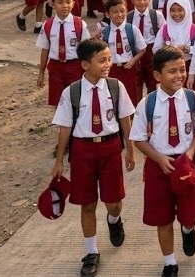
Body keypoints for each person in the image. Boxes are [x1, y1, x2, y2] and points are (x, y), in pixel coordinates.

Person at [49, 38, 136, 277]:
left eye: (109, 59)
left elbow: (125, 119)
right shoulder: (72, 92)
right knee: (87, 203)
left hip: (110, 148)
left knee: (114, 201)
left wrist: (130, 149)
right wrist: (59, 161)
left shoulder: (116, 87)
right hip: (83, 151)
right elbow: (65, 127)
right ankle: (91, 251)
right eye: (102, 61)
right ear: (85, 65)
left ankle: (114, 220)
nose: (108, 64)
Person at [129, 47, 195, 277]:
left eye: (182, 69)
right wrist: (159, 158)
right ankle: (170, 262)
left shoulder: (192, 99)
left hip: (185, 163)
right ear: (157, 75)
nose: (179, 75)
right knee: (162, 217)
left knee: (190, 213)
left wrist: (191, 152)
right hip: (158, 165)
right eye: (172, 71)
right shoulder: (147, 104)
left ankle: (188, 229)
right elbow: (138, 138)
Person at [37, 0, 91, 105]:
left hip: (75, 67)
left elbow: (87, 49)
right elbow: (45, 50)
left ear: (73, 3)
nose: (65, 6)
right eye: (60, 2)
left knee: (77, 100)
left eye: (68, 2)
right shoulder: (47, 25)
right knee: (59, 101)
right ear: (52, 4)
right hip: (55, 68)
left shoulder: (79, 24)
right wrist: (41, 73)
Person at [100, 0, 147, 104]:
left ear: (126, 10)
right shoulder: (105, 32)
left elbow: (142, 49)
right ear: (107, 14)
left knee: (131, 97)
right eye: (114, 12)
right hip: (112, 69)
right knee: (113, 97)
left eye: (122, 11)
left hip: (129, 68)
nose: (119, 14)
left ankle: (132, 115)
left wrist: (133, 60)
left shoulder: (132, 29)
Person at [127, 0, 165, 95]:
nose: (142, 2)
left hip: (151, 52)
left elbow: (164, 34)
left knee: (153, 82)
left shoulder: (156, 15)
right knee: (136, 83)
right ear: (132, 0)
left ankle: (151, 103)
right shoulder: (128, 17)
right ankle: (137, 104)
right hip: (135, 53)